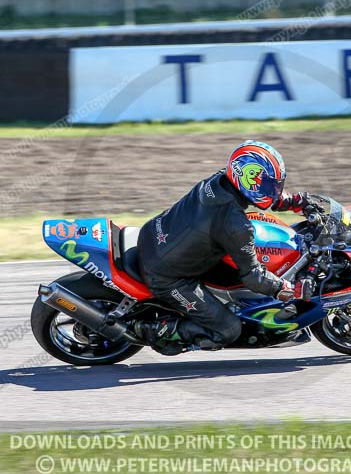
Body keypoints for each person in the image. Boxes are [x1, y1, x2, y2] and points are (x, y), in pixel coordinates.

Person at [133, 140, 310, 354]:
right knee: (228, 329)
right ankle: (157, 330)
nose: (275, 190)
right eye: (270, 185)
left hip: (155, 234)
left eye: (276, 185)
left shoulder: (220, 181)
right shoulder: (236, 226)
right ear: (249, 181)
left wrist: (292, 201)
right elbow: (253, 276)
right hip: (167, 276)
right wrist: (284, 288)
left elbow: (257, 194)